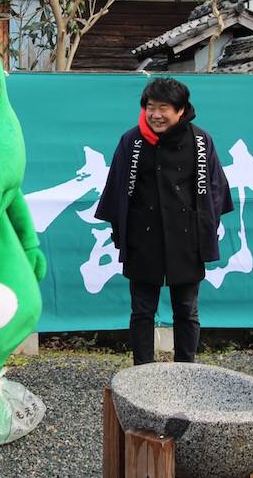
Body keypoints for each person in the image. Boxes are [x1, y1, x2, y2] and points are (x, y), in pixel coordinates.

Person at [95, 78, 233, 365]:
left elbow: (215, 190)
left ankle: (186, 369)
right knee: (142, 311)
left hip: (187, 239)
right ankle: (142, 373)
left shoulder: (200, 140)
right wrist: (121, 234)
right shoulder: (131, 141)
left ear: (181, 110)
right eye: (150, 107)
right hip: (143, 238)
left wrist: (205, 231)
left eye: (163, 108)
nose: (155, 115)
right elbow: (117, 190)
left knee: (187, 310)